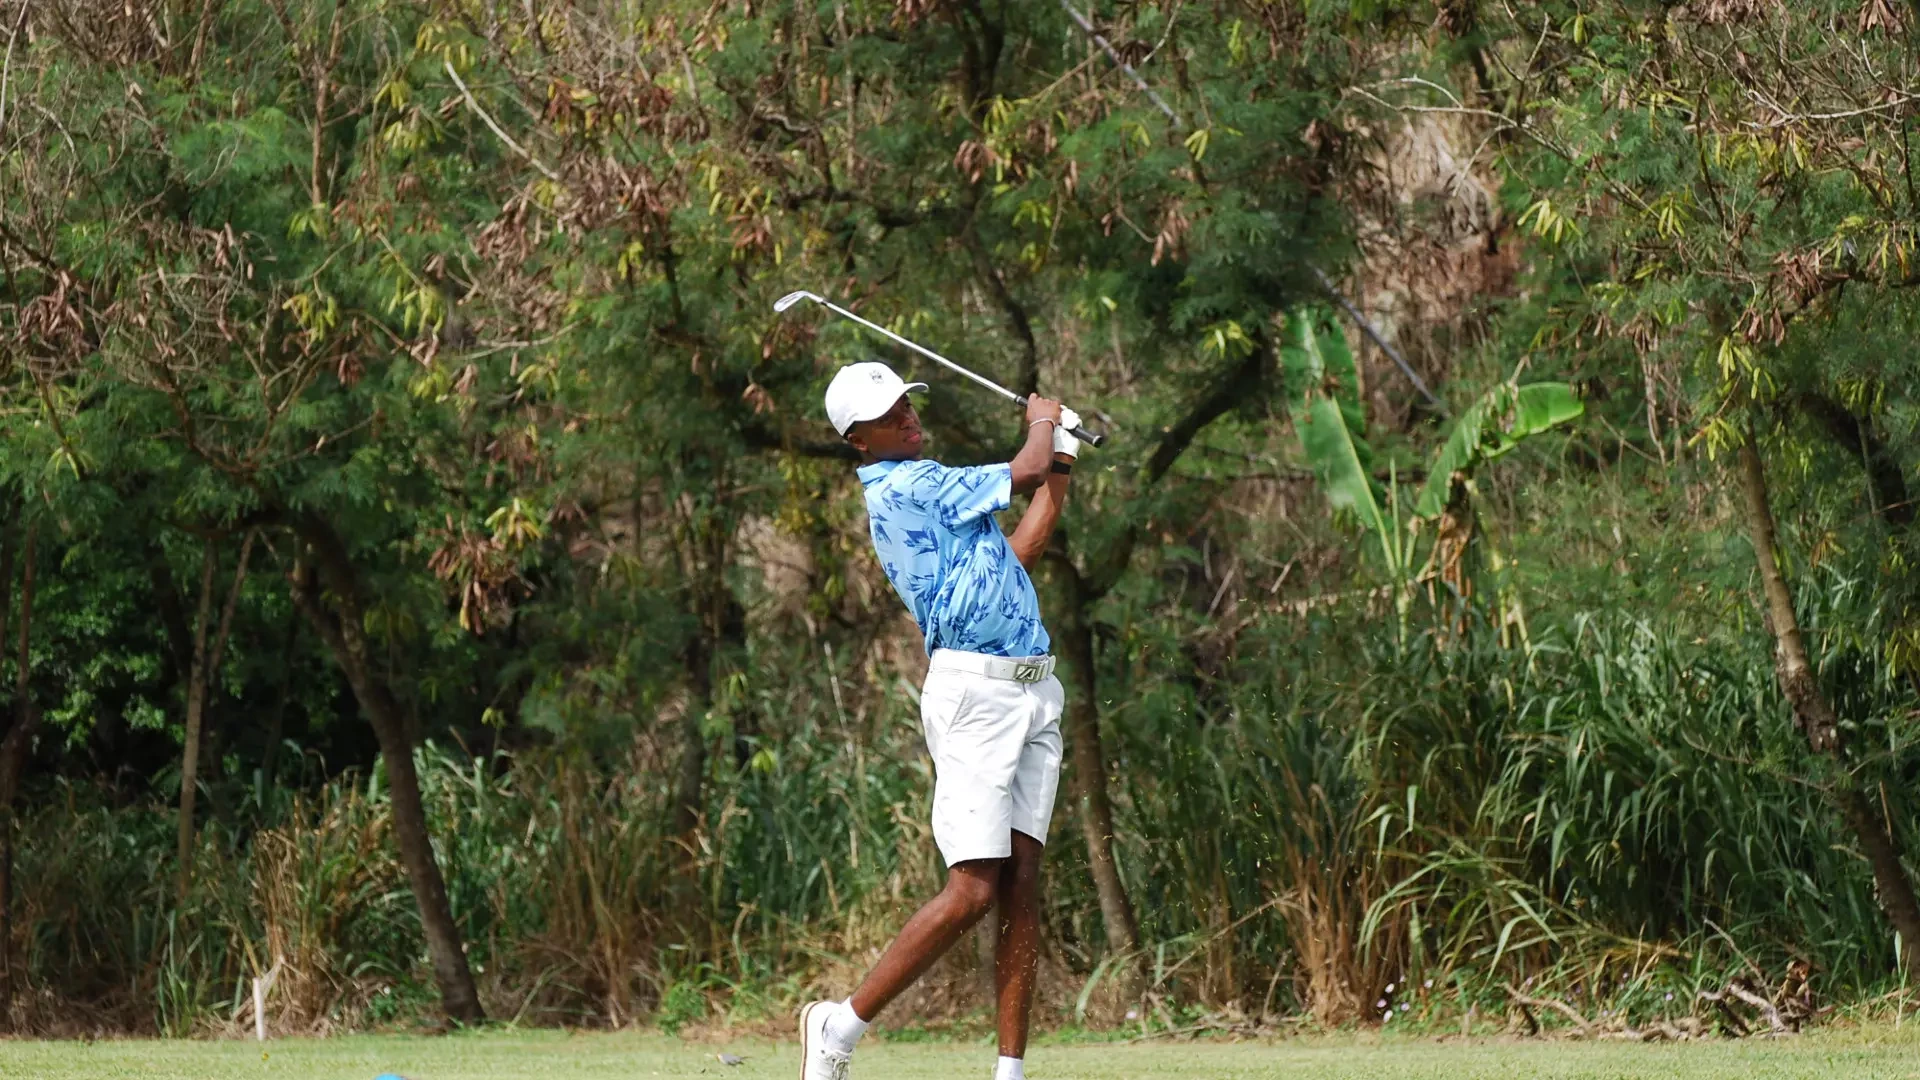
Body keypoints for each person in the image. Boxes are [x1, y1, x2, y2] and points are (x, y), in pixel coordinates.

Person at [799, 361, 1080, 1080]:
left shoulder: (937, 497)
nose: (907, 418)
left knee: (1021, 883)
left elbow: (1022, 551)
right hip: (975, 698)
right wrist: (1045, 421)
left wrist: (1064, 463)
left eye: (906, 404)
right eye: (889, 415)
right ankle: (839, 1026)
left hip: (1033, 692)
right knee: (974, 888)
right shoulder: (905, 485)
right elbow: (1023, 467)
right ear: (858, 440)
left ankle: (1009, 1073)